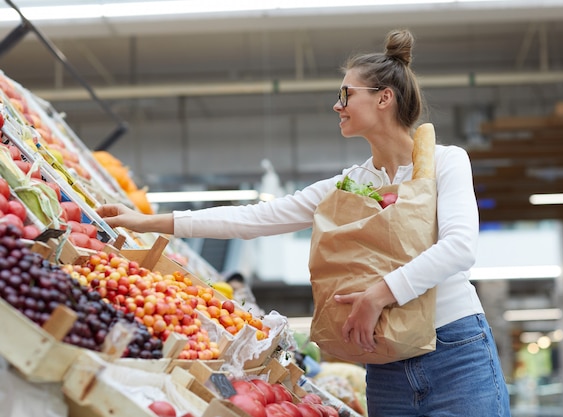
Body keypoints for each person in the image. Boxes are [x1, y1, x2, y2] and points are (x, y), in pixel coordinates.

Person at [96, 28, 511, 416]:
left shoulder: (445, 161)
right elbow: (256, 218)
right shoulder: (351, 183)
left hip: (456, 350)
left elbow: (459, 247)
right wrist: (148, 222)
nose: (337, 105)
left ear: (384, 98)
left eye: (346, 94)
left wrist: (378, 295)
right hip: (385, 363)